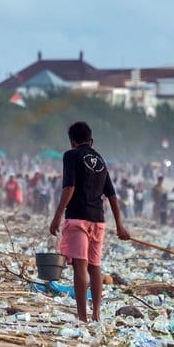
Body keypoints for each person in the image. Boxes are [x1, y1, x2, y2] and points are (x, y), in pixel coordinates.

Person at [49, 121, 130, 323]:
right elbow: (112, 196)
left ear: (72, 142)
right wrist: (120, 226)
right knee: (95, 267)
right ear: (91, 141)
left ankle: (82, 316)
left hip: (78, 218)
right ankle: (96, 315)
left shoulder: (71, 155)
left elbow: (69, 188)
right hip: (98, 221)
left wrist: (57, 216)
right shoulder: (101, 160)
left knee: (80, 267)